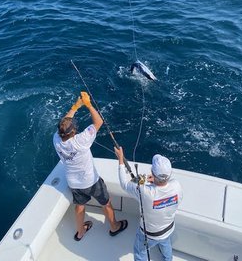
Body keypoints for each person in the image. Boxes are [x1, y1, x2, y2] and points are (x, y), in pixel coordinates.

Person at [53, 91, 128, 241]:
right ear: (73, 131)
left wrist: (75, 107)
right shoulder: (81, 140)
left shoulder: (56, 139)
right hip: (91, 181)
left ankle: (80, 232)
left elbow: (64, 124)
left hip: (74, 183)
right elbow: (98, 122)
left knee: (79, 206)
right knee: (106, 203)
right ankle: (114, 227)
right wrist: (88, 105)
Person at [115, 147, 183, 261]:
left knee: (139, 252)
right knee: (166, 245)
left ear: (152, 172)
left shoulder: (144, 192)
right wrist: (156, 180)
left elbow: (124, 184)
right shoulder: (177, 186)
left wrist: (121, 160)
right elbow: (166, 186)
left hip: (149, 235)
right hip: (168, 229)